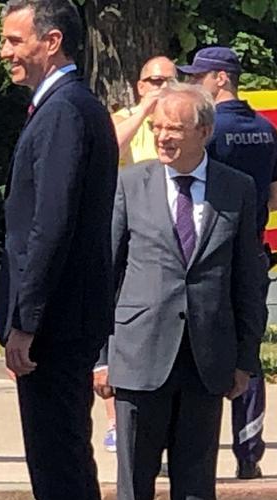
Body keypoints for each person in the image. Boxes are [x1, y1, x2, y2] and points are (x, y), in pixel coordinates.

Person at [95, 83, 267, 500]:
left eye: (176, 128)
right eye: (159, 127)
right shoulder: (130, 184)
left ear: (204, 133)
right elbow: (107, 275)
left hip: (207, 356)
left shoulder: (236, 189)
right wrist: (101, 356)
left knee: (197, 483)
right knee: (135, 481)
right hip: (140, 350)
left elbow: (249, 280)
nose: (164, 136)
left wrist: (245, 358)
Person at [0, 0, 116, 500]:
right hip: (66, 317)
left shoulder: (65, 112)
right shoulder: (66, 108)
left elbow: (50, 225)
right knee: (61, 461)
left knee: (59, 464)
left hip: (56, 324)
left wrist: (24, 321)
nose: (4, 51)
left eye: (14, 40)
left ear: (51, 41)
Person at [183, 46, 277, 479]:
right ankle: (248, 452)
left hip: (208, 257)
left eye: (198, 77)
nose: (193, 85)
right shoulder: (267, 129)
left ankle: (186, 451)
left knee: (193, 349)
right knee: (248, 352)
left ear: (220, 79)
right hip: (254, 256)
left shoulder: (207, 130)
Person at [98, 55, 177, 453]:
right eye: (155, 80)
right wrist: (145, 110)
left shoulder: (182, 124)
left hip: (166, 234)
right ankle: (115, 420)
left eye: (170, 80)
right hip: (125, 224)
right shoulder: (123, 115)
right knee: (118, 319)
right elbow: (109, 149)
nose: (163, 86)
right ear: (140, 84)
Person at [112, 56, 177, 166]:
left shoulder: (179, 122)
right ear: (141, 87)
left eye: (172, 82)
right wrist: (144, 111)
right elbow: (111, 150)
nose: (165, 86)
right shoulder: (122, 118)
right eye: (157, 81)